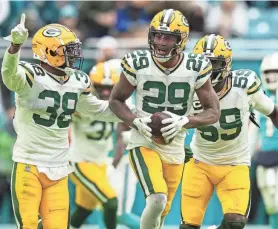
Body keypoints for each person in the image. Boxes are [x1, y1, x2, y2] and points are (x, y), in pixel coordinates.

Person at [1, 14, 129, 229]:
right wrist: (14, 47)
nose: (74, 54)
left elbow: (98, 109)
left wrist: (134, 114)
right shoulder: (31, 75)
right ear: (48, 51)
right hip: (29, 165)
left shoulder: (77, 81)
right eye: (67, 50)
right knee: (29, 224)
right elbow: (9, 75)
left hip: (59, 167)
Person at [109, 9, 220, 229]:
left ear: (182, 40)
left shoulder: (195, 67)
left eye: (168, 37)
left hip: (175, 145)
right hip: (144, 140)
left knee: (163, 209)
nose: (160, 42)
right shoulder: (138, 62)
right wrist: (135, 121)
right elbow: (116, 100)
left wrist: (185, 121)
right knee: (157, 199)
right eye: (157, 35)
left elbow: (213, 111)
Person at [180, 34, 278, 229]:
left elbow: (273, 111)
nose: (207, 69)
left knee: (236, 222)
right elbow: (173, 121)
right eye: (202, 63)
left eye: (213, 63)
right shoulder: (187, 89)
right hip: (201, 162)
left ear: (226, 64)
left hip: (235, 163)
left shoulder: (244, 86)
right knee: (189, 226)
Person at [69, 59, 139, 229]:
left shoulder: (119, 103)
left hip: (100, 163)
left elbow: (126, 127)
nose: (106, 92)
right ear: (92, 85)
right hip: (80, 161)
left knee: (83, 211)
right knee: (111, 202)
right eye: (101, 87)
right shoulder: (81, 102)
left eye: (110, 88)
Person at [250, 52, 278, 229]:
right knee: (270, 199)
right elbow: (254, 131)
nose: (271, 76)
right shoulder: (259, 98)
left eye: (275, 72)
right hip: (264, 155)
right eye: (268, 72)